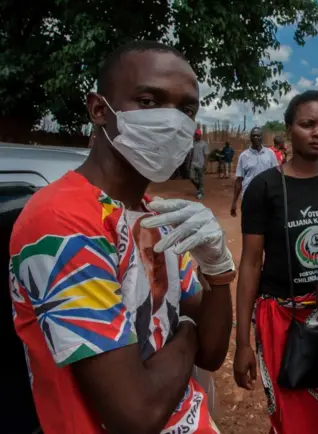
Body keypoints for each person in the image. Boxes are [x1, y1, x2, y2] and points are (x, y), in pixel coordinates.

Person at [8, 41, 235, 434]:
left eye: (186, 109)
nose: (173, 121)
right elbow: (136, 413)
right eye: (149, 101)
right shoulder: (62, 222)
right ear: (99, 109)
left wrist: (216, 270)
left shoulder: (155, 215)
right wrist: (189, 330)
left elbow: (214, 354)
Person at [234, 90, 318, 434]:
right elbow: (251, 264)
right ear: (288, 129)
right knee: (289, 412)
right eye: (307, 124)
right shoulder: (264, 188)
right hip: (281, 319)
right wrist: (241, 343)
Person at [230, 126, 278, 217]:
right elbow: (239, 180)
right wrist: (234, 202)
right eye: (253, 136)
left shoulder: (270, 153)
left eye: (258, 135)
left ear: (262, 137)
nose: (256, 138)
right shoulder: (243, 156)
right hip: (249, 197)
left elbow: (276, 175)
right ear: (250, 138)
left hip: (266, 197)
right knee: (249, 226)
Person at [191, 128, 208, 199]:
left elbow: (206, 155)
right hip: (193, 163)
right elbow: (191, 153)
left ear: (200, 135)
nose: (196, 136)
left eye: (197, 135)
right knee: (191, 177)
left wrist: (205, 164)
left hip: (201, 164)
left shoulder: (204, 144)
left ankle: (201, 193)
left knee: (201, 179)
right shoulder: (193, 143)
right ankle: (199, 188)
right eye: (195, 135)